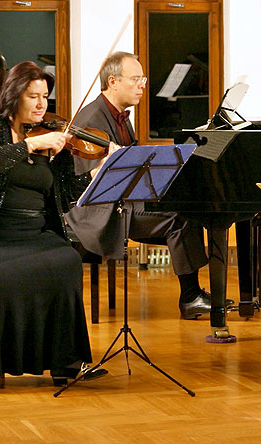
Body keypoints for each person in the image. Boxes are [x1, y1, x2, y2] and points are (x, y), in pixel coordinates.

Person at [0, 61, 108, 390]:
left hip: (35, 234)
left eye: (45, 96)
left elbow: (68, 195)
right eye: (34, 96)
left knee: (67, 261)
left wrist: (96, 175)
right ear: (15, 95)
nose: (42, 104)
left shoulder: (52, 138)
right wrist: (30, 145)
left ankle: (65, 362)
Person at [65, 51, 214, 320]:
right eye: (135, 79)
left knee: (188, 210)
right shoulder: (91, 120)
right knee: (178, 219)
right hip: (101, 212)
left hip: (126, 203)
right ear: (113, 82)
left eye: (142, 79)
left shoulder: (120, 115)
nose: (142, 85)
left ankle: (193, 295)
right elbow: (93, 181)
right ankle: (190, 297)